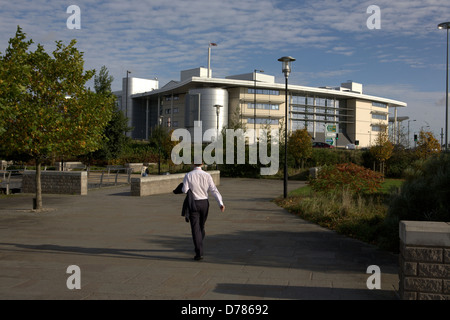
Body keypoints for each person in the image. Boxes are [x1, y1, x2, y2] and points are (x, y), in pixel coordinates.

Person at [182, 162, 225, 261]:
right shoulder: (207, 175)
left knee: (195, 228)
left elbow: (184, 190)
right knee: (201, 226)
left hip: (193, 203)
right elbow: (213, 190)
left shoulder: (188, 175)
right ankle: (199, 243)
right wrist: (220, 203)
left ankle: (199, 252)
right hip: (204, 203)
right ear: (202, 164)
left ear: (193, 164)